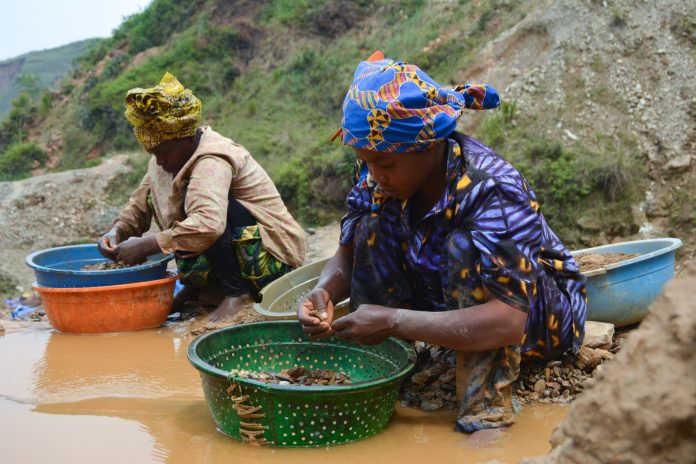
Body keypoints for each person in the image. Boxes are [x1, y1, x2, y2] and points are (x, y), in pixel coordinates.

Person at [297, 52, 587, 432]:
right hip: (445, 301)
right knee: (370, 222)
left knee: (464, 249)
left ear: (430, 145)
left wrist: (394, 321)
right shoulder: (377, 173)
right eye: (365, 161)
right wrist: (323, 292)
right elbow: (346, 258)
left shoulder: (492, 188)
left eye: (385, 164)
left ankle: (485, 410)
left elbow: (507, 321)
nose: (374, 174)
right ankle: (382, 373)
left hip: (537, 318)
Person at [98, 72, 306, 321]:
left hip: (271, 256)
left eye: (163, 152)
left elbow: (209, 223)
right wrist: (118, 231)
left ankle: (236, 294)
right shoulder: (166, 161)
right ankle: (198, 289)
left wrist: (149, 244)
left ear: (185, 138)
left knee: (200, 205)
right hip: (235, 251)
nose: (160, 161)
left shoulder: (213, 159)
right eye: (154, 154)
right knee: (182, 203)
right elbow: (142, 201)